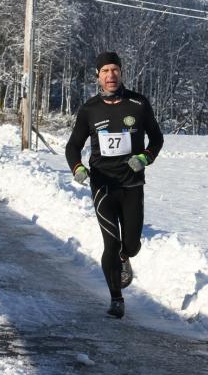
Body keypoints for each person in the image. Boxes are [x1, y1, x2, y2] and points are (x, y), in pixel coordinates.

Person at [65, 52, 164, 319]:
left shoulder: (138, 104)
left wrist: (145, 157)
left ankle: (125, 257)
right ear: (98, 76)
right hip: (102, 184)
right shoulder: (90, 109)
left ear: (121, 73)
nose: (111, 75)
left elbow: (156, 139)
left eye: (115, 70)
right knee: (111, 243)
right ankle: (116, 298)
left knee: (131, 244)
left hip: (132, 184)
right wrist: (78, 168)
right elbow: (73, 146)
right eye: (105, 70)